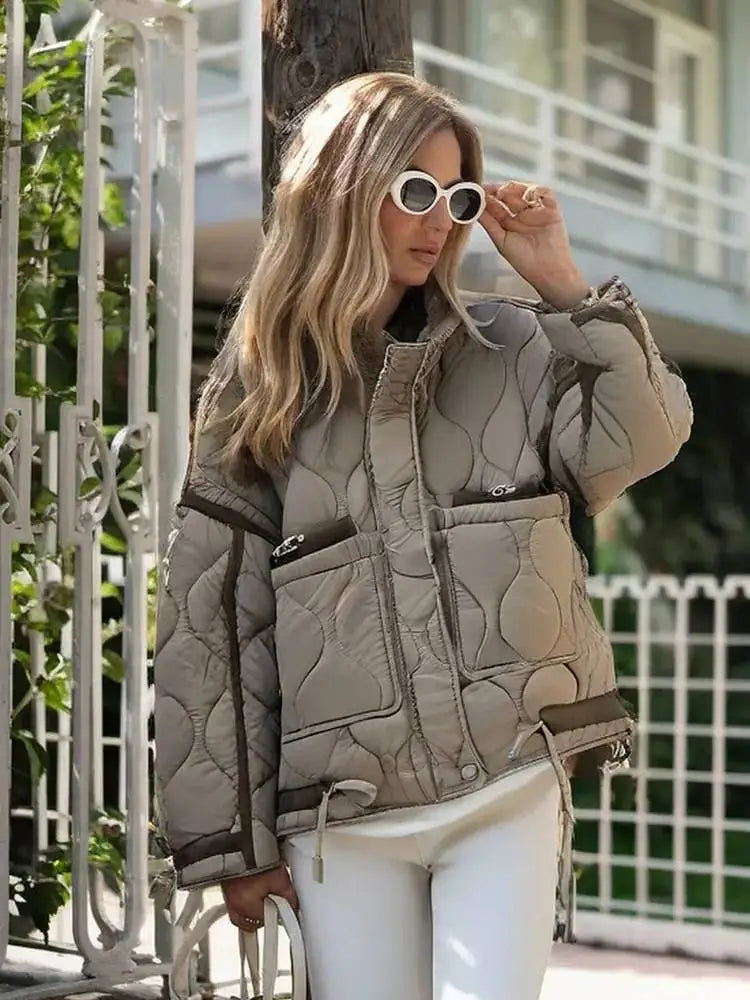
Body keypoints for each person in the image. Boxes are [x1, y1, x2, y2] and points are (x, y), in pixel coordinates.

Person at [153, 72, 692, 1000]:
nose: (439, 220)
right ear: (340, 186)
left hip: (505, 785)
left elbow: (646, 433)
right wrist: (232, 844)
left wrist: (562, 283)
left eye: (458, 196)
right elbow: (212, 624)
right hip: (340, 820)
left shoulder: (512, 347)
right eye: (414, 190)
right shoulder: (262, 388)